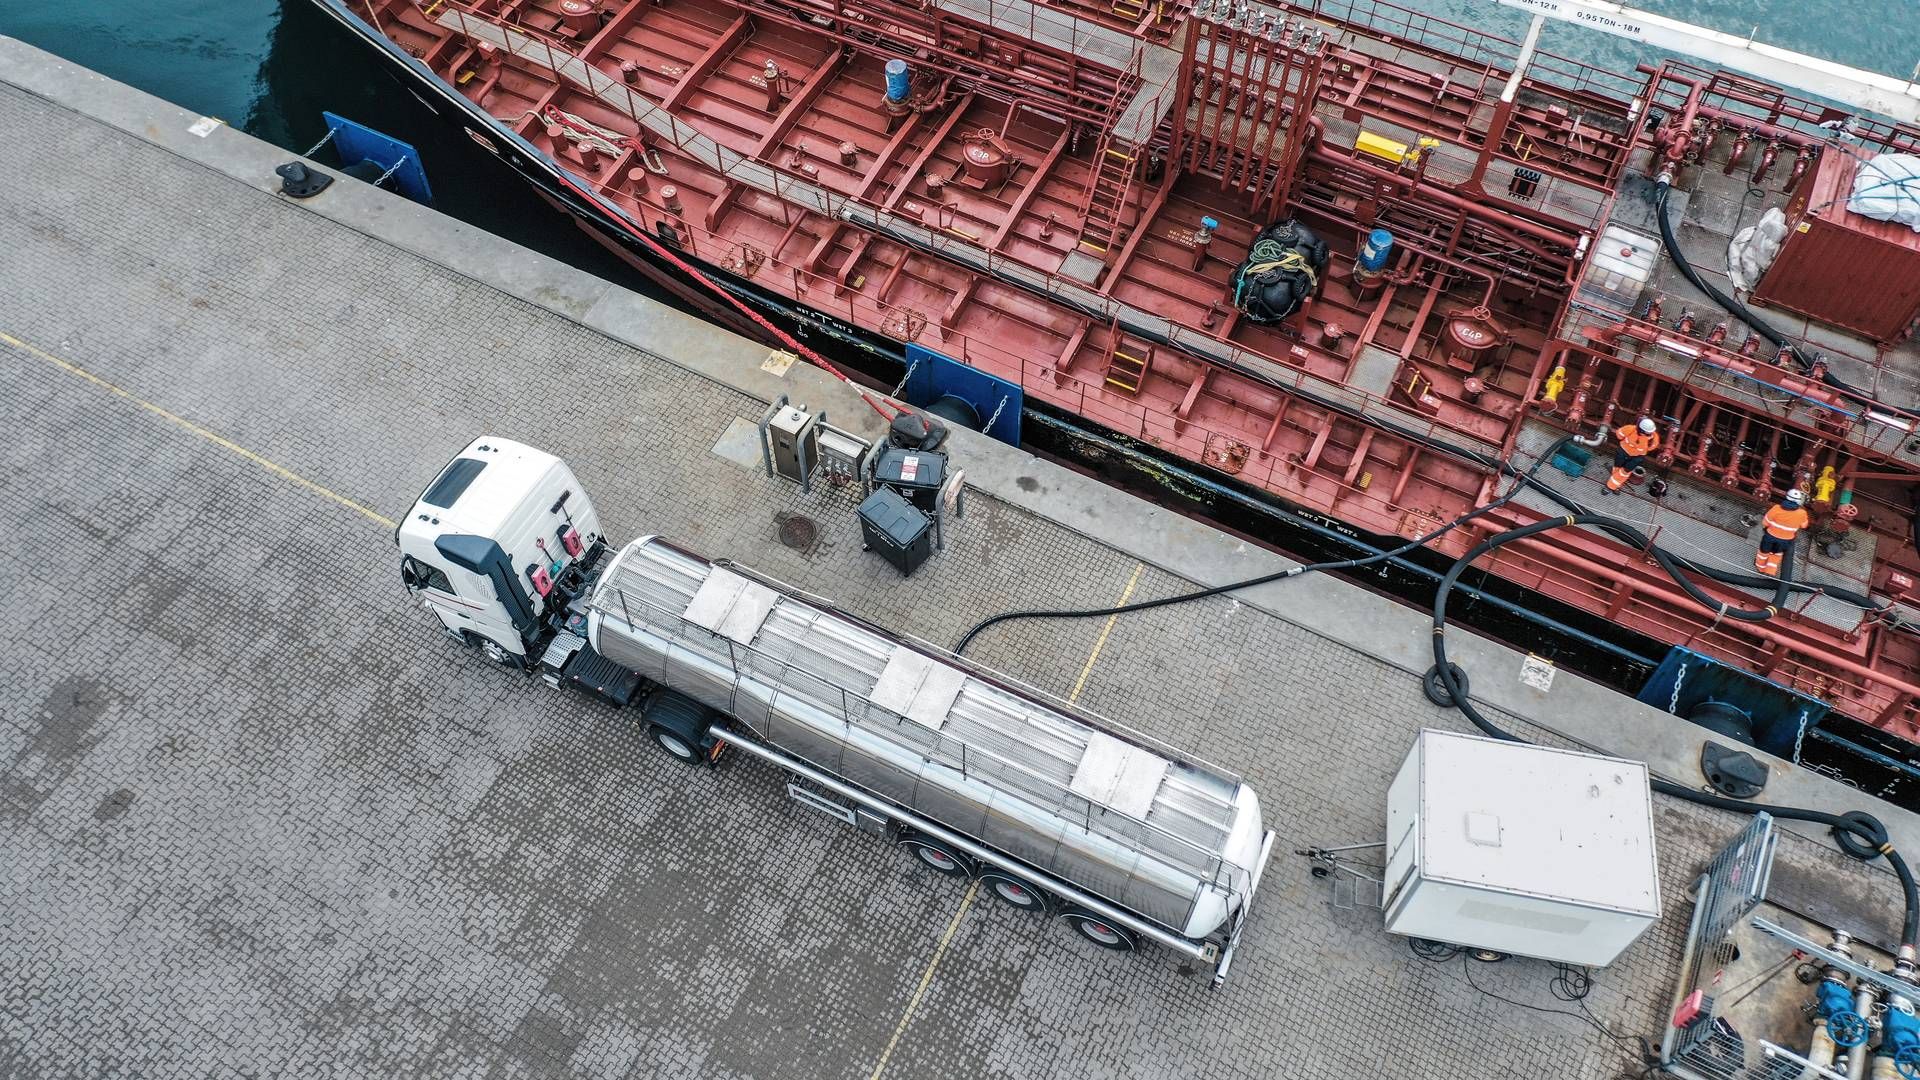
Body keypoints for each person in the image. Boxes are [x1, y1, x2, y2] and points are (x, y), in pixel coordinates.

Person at [1755, 488, 1810, 578]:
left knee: (1763, 553)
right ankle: (1770, 571)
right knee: (1776, 555)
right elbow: (1804, 525)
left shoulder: (1776, 508)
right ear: (1799, 501)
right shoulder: (1802, 513)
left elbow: (1765, 522)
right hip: (1785, 541)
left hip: (1769, 537)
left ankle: (1760, 568)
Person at [1608, 417, 1662, 492]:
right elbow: (1650, 448)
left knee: (1624, 472)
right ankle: (1615, 484)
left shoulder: (1631, 429)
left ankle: (1610, 486)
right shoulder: (1631, 429)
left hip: (1631, 455)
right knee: (1618, 468)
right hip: (1627, 453)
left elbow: (1619, 435)